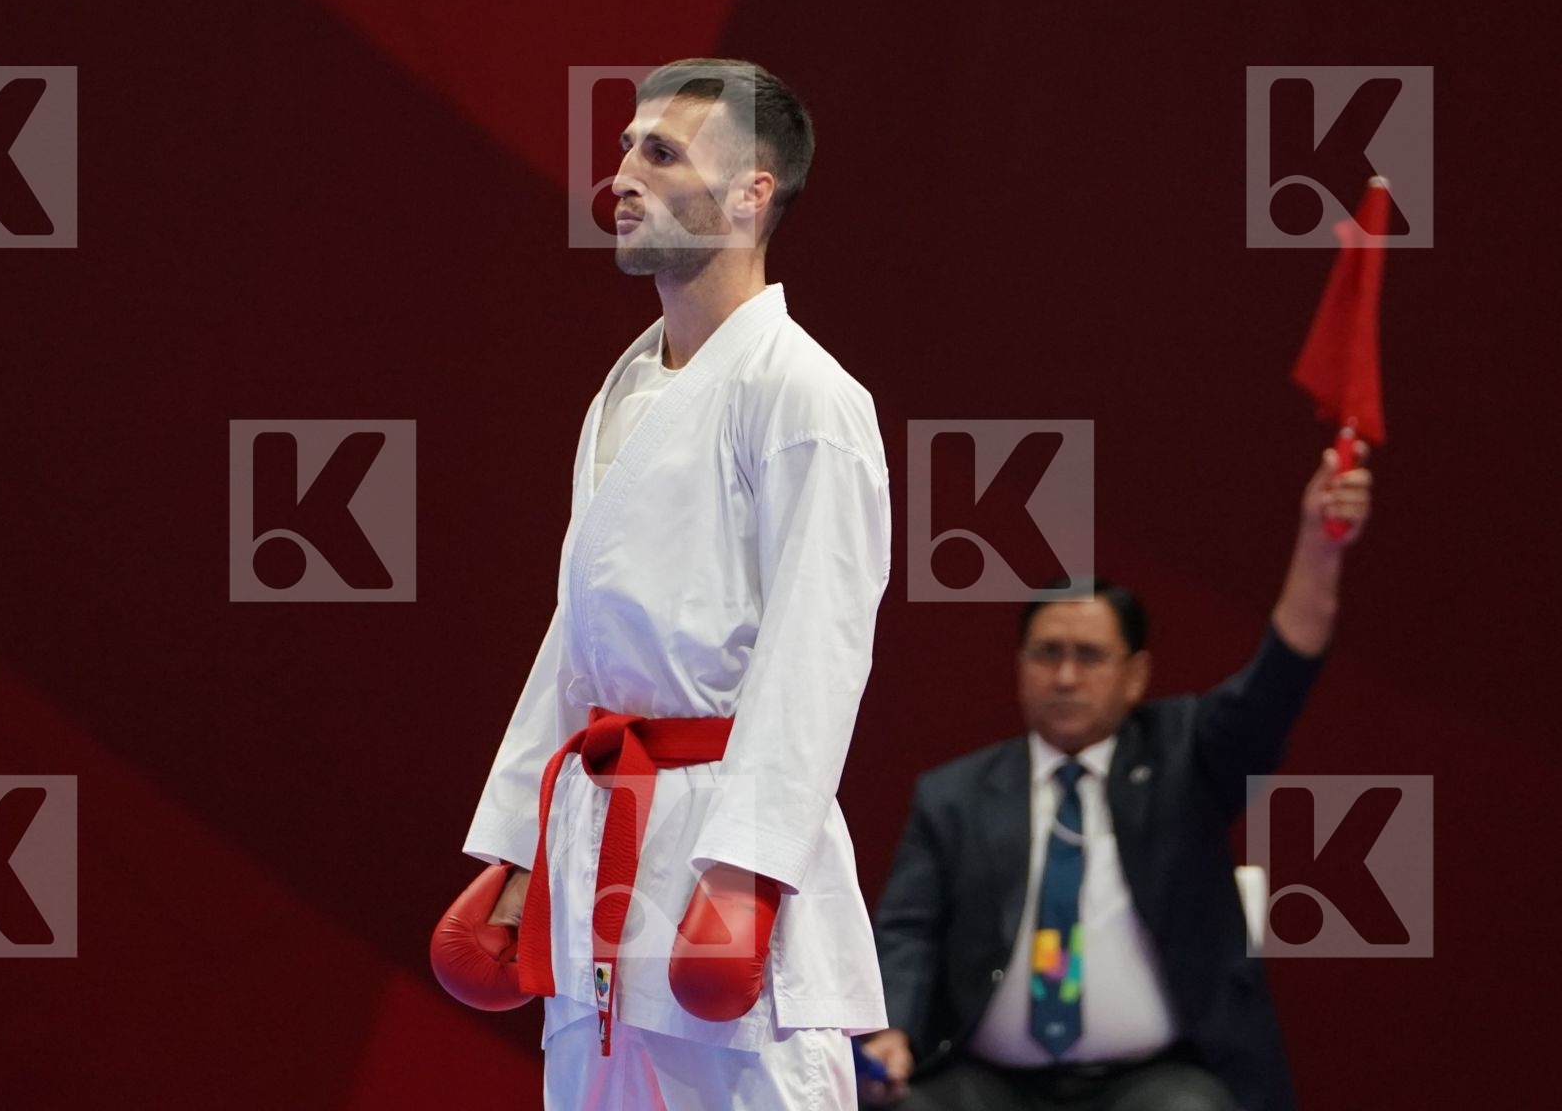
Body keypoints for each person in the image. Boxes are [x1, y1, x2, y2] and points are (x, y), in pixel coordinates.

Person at [431, 59, 891, 1109]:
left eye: (662, 152)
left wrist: (748, 872)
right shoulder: (630, 387)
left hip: (717, 836)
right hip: (599, 832)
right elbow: (579, 635)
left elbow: (818, 652)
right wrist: (512, 844)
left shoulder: (807, 397)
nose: (623, 175)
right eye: (628, 147)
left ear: (750, 196)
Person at [858, 446, 1374, 1111]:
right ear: (1020, 667)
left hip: (1151, 1082)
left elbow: (1283, 671)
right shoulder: (953, 796)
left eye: (1090, 656)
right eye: (1047, 654)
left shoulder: (1187, 758)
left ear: (1135, 675)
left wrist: (1320, 545)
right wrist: (891, 1030)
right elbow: (908, 929)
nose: (1066, 676)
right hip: (989, 1084)